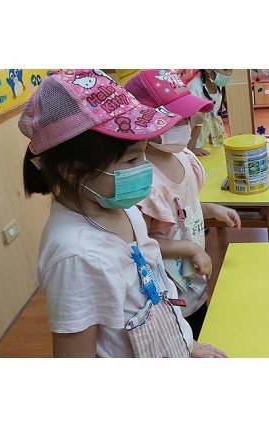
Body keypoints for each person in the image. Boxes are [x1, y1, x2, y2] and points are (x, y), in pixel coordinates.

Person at [20, 69, 227, 358]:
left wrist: (187, 344)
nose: (145, 168)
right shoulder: (76, 257)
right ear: (73, 171)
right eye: (131, 160)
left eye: (144, 154)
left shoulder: (122, 207)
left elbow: (159, 283)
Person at [124, 69, 241, 340]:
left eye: (186, 118)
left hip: (195, 283)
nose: (185, 125)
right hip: (167, 292)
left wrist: (211, 210)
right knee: (183, 340)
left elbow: (184, 210)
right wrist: (190, 248)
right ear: (144, 123)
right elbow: (140, 243)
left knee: (201, 329)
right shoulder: (144, 182)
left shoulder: (184, 157)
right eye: (175, 119)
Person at [184, 69, 233, 156]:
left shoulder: (218, 86)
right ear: (208, 69)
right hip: (188, 146)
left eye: (231, 69)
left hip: (200, 143)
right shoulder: (194, 87)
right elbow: (194, 120)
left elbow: (212, 116)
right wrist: (192, 147)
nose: (229, 73)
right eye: (225, 69)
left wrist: (213, 138)